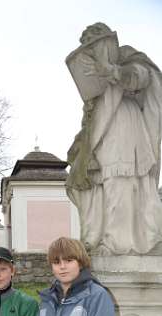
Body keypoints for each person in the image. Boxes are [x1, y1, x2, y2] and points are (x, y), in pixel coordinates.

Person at [66, 22, 162, 255]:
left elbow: (142, 77)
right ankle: (103, 238)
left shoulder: (127, 56)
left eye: (95, 44)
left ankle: (130, 242)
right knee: (104, 185)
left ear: (107, 41)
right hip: (102, 129)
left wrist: (114, 72)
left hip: (126, 125)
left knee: (129, 183)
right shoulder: (93, 73)